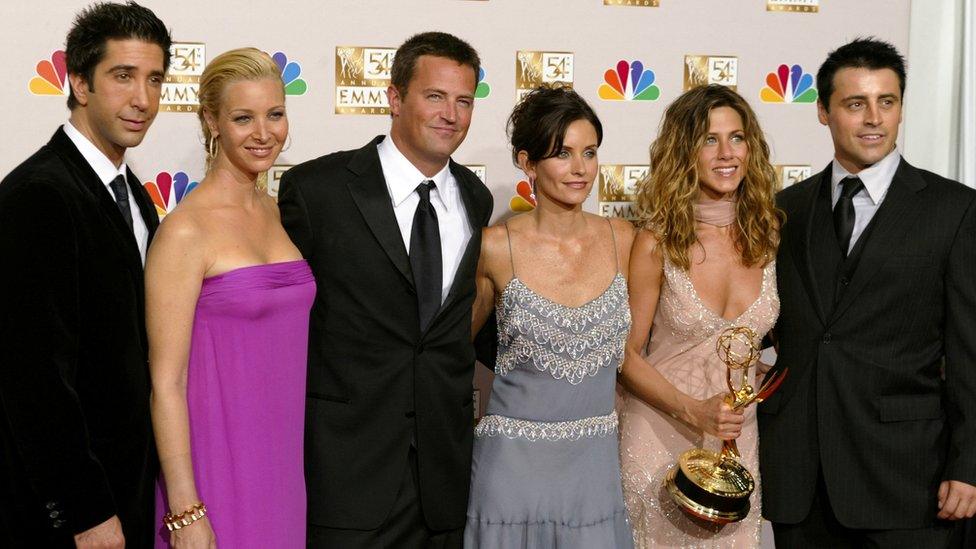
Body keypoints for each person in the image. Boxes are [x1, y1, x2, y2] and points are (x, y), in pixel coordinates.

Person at [277, 32, 493, 548]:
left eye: (464, 101)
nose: (451, 115)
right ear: (395, 98)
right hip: (347, 473)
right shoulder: (317, 190)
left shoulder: (476, 198)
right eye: (435, 96)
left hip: (443, 478)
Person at [759, 38, 976, 548]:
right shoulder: (784, 210)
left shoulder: (954, 210)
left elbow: (971, 352)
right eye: (856, 104)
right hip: (801, 476)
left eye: (888, 101)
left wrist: (968, 464)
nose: (874, 118)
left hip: (908, 477)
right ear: (823, 112)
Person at [0, 3, 169, 547]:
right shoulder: (39, 196)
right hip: (77, 517)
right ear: (78, 81)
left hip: (132, 494)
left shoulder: (135, 198)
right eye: (123, 76)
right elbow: (33, 377)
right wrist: (85, 511)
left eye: (154, 79)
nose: (142, 99)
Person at [148, 48, 314, 547]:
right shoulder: (185, 231)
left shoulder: (275, 211)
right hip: (214, 475)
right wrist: (186, 510)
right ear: (212, 121)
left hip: (281, 470)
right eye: (244, 118)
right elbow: (167, 383)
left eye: (275, 114)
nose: (264, 134)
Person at [464, 86, 635, 548]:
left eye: (590, 152)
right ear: (527, 162)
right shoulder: (495, 247)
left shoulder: (627, 241)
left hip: (594, 474)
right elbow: (452, 350)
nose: (580, 169)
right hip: (512, 475)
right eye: (562, 153)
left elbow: (641, 353)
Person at [617, 84, 783, 548]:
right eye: (709, 140)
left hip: (736, 444)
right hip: (659, 433)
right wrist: (693, 410)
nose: (726, 153)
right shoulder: (656, 242)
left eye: (737, 137)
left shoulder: (769, 236)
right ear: (683, 152)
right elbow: (626, 354)